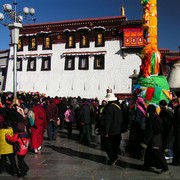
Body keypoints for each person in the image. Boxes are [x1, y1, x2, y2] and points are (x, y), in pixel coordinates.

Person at [141, 104, 169, 174]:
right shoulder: (157, 117)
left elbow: (149, 130)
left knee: (158, 153)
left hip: (155, 139)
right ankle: (148, 164)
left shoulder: (151, 118)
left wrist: (145, 142)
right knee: (149, 151)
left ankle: (165, 168)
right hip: (158, 137)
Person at [103, 89, 124, 165]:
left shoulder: (109, 107)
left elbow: (108, 121)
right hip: (118, 129)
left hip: (111, 130)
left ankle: (112, 158)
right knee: (115, 146)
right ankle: (115, 156)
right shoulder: (119, 106)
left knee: (107, 145)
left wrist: (106, 132)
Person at [171, 98, 180, 166]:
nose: (172, 105)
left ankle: (176, 161)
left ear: (176, 103)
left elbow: (176, 120)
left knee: (176, 146)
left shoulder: (177, 110)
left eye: (173, 103)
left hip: (177, 130)